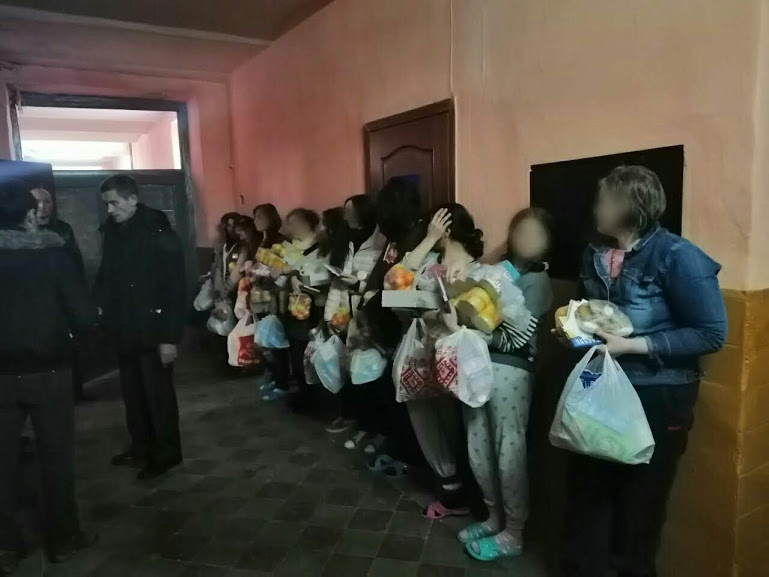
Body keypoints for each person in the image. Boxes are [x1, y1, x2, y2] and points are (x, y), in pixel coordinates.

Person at [559, 166, 727, 577]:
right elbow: (594, 324)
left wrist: (634, 346)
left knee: (640, 508)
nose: (596, 207)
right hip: (599, 387)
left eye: (604, 199)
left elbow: (711, 333)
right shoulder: (593, 253)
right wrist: (573, 336)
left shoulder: (677, 255)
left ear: (630, 205)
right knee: (587, 497)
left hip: (658, 394)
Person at [0, 180, 97, 573]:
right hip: (50, 371)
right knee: (55, 458)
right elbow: (84, 317)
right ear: (30, 216)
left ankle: (5, 546)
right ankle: (64, 538)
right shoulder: (53, 257)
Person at [458, 208, 554, 561]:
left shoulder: (537, 281)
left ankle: (514, 532)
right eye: (520, 231)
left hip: (511, 372)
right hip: (477, 366)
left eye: (535, 233)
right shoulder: (498, 270)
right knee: (478, 444)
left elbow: (517, 339)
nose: (526, 239)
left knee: (508, 450)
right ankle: (493, 517)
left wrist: (473, 330)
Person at [95, 175, 186, 481]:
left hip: (154, 329)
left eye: (114, 203)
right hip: (124, 328)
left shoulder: (158, 232)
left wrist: (169, 338)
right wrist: (98, 304)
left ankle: (167, 453)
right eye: (107, 204)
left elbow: (175, 287)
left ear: (133, 199)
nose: (110, 210)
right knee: (133, 395)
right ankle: (141, 447)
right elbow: (106, 274)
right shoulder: (113, 232)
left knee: (158, 397)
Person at [323, 195, 385, 435]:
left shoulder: (379, 242)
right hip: (343, 314)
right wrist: (329, 317)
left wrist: (358, 284)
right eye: (345, 211)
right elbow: (335, 285)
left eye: (351, 211)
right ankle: (350, 416)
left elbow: (380, 285)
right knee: (347, 368)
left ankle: (369, 425)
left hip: (365, 316)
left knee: (366, 371)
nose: (346, 216)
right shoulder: (345, 241)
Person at [31, 187, 89, 401]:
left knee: (70, 347)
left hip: (64, 299)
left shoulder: (63, 229)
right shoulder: (22, 231)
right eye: (37, 201)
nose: (42, 206)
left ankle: (75, 391)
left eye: (47, 201)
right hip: (36, 301)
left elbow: (76, 262)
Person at [262, 208, 323, 403]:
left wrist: (287, 271)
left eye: (295, 223)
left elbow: (310, 270)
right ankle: (297, 390)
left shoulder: (319, 247)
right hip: (289, 304)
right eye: (290, 224)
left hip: (309, 307)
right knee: (293, 350)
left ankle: (308, 394)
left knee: (304, 351)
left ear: (309, 224)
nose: (292, 228)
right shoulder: (288, 247)